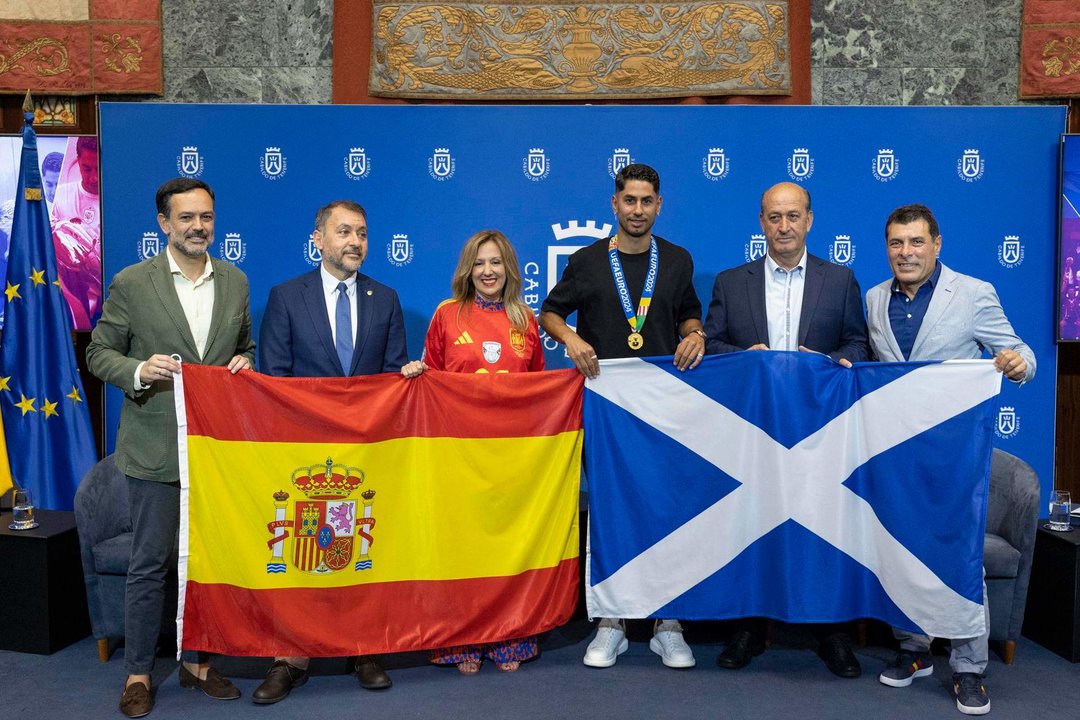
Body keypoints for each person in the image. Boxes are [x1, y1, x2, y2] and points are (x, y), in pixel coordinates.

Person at [86, 178, 254, 718]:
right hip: (153, 451)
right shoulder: (133, 283)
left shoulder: (235, 282)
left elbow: (245, 345)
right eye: (187, 218)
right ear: (164, 223)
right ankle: (138, 672)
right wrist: (137, 369)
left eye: (206, 216)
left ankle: (199, 664)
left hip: (214, 453)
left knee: (205, 562)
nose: (198, 226)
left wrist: (246, 363)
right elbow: (98, 352)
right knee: (150, 564)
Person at [867, 203, 1035, 716]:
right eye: (897, 243)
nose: (906, 252)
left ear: (936, 245)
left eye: (916, 242)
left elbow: (1022, 354)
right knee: (901, 551)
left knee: (961, 557)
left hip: (955, 457)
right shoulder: (874, 299)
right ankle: (914, 650)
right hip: (895, 454)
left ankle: (968, 668)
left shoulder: (975, 293)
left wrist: (1013, 364)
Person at [539, 163, 706, 669]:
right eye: (628, 201)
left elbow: (688, 312)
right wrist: (570, 338)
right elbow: (549, 312)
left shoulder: (676, 260)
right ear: (614, 205)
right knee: (611, 510)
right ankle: (610, 622)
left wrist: (695, 334)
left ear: (659, 206)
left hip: (662, 406)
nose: (637, 210)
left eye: (646, 201)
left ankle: (666, 623)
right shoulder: (587, 261)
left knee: (666, 509)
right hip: (606, 407)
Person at [702, 181, 870, 678]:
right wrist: (744, 359)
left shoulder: (839, 280)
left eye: (793, 216)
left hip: (820, 431)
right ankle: (749, 627)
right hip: (753, 433)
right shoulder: (732, 283)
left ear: (810, 220)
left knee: (822, 526)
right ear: (761, 223)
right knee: (754, 524)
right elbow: (710, 346)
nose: (784, 226)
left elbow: (860, 344)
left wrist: (835, 361)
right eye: (774, 217)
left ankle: (831, 632)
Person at [255, 199, 404, 703]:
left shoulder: (385, 298)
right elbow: (273, 379)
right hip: (303, 455)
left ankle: (363, 648)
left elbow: (391, 380)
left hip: (365, 456)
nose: (355, 242)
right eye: (344, 232)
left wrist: (407, 381)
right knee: (300, 556)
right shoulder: (285, 297)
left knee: (362, 552)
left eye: (362, 232)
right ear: (318, 238)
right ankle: (288, 658)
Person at [401, 229, 544, 673]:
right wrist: (416, 372)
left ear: (509, 269)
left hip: (510, 456)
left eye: (496, 263)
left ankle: (507, 633)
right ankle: (460, 636)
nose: (488, 272)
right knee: (462, 545)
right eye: (480, 263)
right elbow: (431, 379)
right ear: (468, 269)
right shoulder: (447, 315)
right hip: (458, 453)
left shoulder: (526, 319)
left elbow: (539, 390)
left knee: (505, 543)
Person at [50, 136, 101, 328]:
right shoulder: (60, 197)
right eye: (87, 168)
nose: (93, 177)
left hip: (111, 299)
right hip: (69, 300)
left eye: (98, 168)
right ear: (77, 159)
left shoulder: (119, 198)